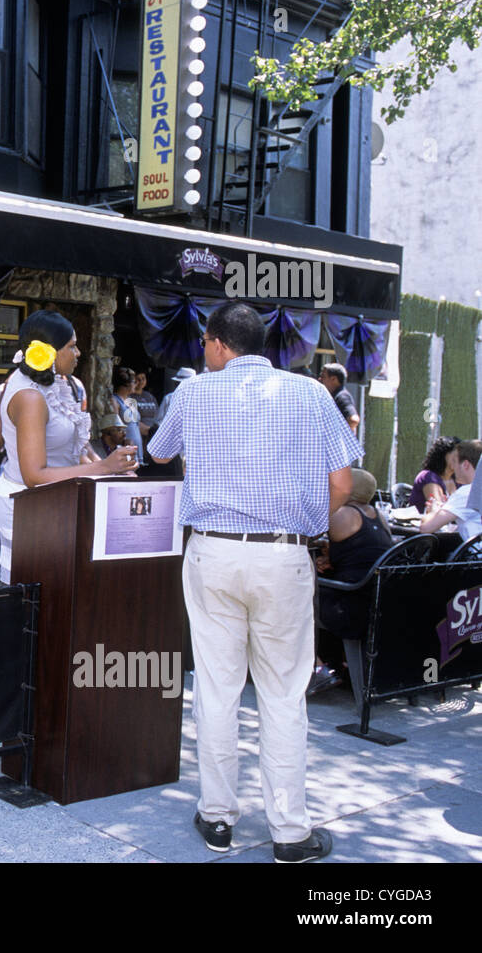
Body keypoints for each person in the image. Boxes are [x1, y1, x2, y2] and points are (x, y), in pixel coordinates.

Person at [148, 301, 360, 864]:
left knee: (217, 688)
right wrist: (309, 524)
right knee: (284, 695)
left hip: (212, 551)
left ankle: (217, 817)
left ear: (217, 344)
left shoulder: (192, 393)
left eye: (204, 344)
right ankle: (290, 832)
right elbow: (344, 481)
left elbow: (158, 450)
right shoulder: (312, 392)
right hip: (283, 554)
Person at [0, 311, 136, 583]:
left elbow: (74, 447)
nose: (78, 353)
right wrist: (103, 467)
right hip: (27, 507)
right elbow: (34, 476)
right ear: (48, 352)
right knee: (32, 595)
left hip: (51, 504)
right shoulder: (30, 396)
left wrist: (114, 469)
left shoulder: (57, 385)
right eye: (71, 346)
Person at [313, 468, 395, 690]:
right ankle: (336, 663)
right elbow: (358, 550)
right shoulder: (378, 516)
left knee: (294, 595)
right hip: (377, 603)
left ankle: (316, 668)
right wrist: (329, 553)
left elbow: (306, 534)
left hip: (350, 605)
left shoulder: (342, 514)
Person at [419, 438, 482, 541]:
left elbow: (425, 528)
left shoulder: (466, 492)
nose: (452, 467)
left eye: (455, 461)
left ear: (465, 464)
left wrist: (434, 510)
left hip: (475, 556)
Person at [407, 435, 460, 512]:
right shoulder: (428, 477)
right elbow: (437, 510)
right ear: (443, 454)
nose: (460, 459)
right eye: (456, 454)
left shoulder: (457, 479)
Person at [109, 367, 144, 454]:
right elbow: (115, 426)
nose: (136, 385)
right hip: (126, 448)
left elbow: (136, 424)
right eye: (134, 382)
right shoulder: (115, 401)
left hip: (137, 449)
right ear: (126, 384)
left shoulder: (130, 401)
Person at [319, 362, 360, 435]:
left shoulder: (342, 397)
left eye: (323, 376)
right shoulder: (333, 395)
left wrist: (337, 437)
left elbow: (353, 420)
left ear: (333, 379)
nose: (320, 379)